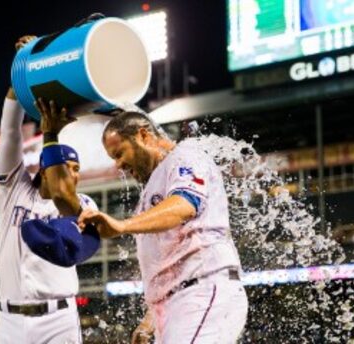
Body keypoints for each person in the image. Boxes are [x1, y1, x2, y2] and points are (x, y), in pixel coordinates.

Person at [35, 105, 249, 343]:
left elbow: (186, 205)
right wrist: (151, 319)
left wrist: (122, 225)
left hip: (204, 290)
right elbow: (168, 261)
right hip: (181, 301)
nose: (118, 165)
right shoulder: (154, 184)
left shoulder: (186, 156)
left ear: (144, 135)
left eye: (119, 153)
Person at [0, 36, 98, 344]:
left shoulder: (81, 203)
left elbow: (72, 248)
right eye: (66, 168)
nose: (72, 176)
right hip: (10, 319)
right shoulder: (16, 188)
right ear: (44, 167)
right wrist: (23, 67)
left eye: (76, 171)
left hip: (57, 319)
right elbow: (9, 132)